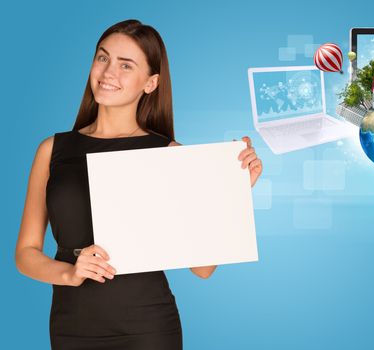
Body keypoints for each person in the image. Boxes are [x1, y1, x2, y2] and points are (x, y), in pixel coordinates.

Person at [14, 19, 262, 350]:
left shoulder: (170, 154)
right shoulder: (52, 150)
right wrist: (69, 274)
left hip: (147, 328)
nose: (107, 72)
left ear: (150, 83)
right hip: (71, 326)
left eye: (125, 65)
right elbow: (25, 253)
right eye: (102, 58)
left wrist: (233, 194)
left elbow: (202, 268)